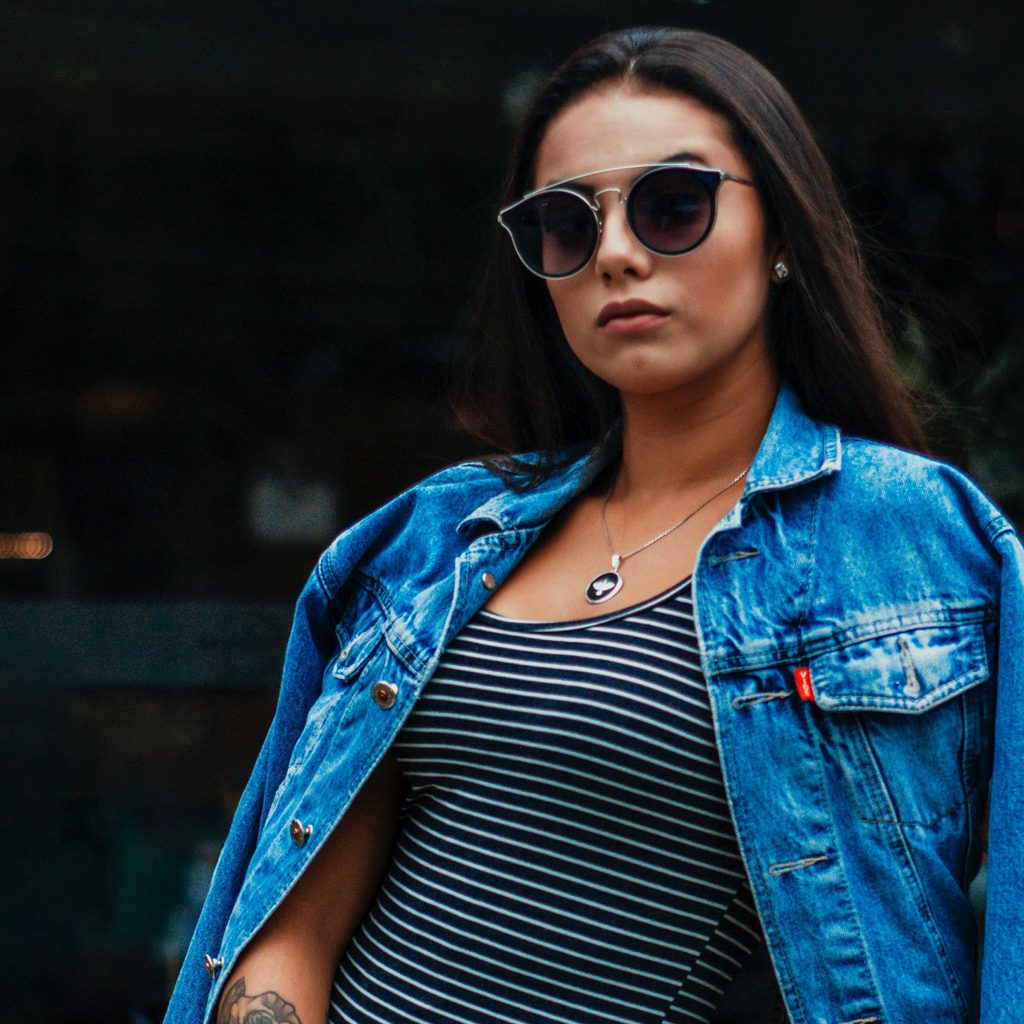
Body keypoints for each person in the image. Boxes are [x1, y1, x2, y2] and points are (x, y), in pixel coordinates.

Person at [164, 26, 1024, 1024]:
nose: (616, 253)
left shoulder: (915, 537)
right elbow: (290, 924)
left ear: (782, 234)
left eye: (673, 206)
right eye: (568, 225)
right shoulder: (433, 539)